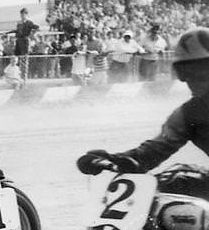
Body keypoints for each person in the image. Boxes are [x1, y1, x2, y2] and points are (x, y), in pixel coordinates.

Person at [79, 28, 209, 175]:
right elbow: (150, 153)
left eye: (200, 69)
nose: (190, 78)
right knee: (176, 180)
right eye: (184, 71)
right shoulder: (186, 115)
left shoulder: (188, 114)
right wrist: (111, 159)